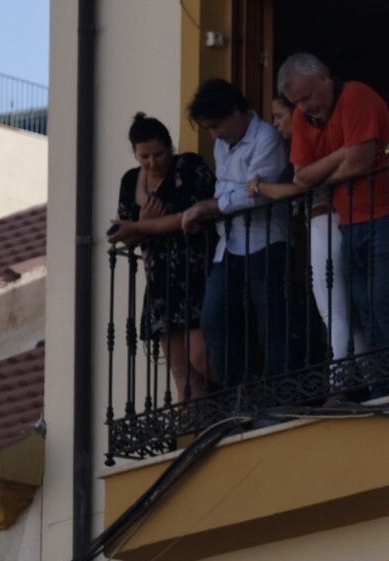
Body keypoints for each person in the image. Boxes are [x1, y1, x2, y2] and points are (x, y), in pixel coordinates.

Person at [277, 53, 389, 396]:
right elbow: (302, 176)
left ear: (325, 77)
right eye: (297, 101)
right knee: (364, 303)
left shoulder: (356, 96)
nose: (304, 106)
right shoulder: (301, 118)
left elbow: (359, 162)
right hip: (351, 220)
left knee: (383, 297)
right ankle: (382, 387)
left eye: (307, 96)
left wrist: (331, 170)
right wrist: (341, 154)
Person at [180, 79, 294, 388]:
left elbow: (257, 193)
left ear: (237, 112)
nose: (215, 134)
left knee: (271, 322)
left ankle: (278, 393)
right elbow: (233, 189)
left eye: (217, 125)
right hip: (228, 244)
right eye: (209, 128)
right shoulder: (221, 144)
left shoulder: (267, 138)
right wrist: (221, 203)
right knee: (213, 319)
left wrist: (211, 206)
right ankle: (239, 392)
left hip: (266, 239)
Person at [252, 93, 367, 379]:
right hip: (329, 221)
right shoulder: (307, 145)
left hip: (326, 220)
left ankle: (338, 382)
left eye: (279, 116)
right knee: (344, 312)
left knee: (331, 309)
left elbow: (299, 188)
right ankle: (369, 377)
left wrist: (259, 187)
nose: (274, 123)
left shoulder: (312, 144)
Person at [108, 113, 215, 399]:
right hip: (160, 283)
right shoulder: (130, 181)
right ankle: (198, 429)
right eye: (144, 157)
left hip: (194, 275)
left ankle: (245, 393)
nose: (152, 162)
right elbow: (121, 236)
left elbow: (187, 217)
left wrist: (139, 226)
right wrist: (142, 222)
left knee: (200, 354)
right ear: (135, 153)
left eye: (158, 154)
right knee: (181, 369)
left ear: (170, 146)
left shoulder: (188, 166)